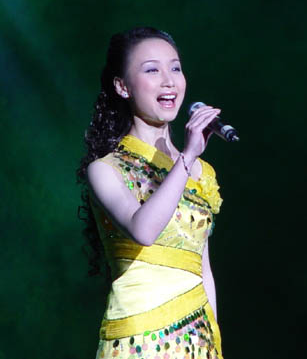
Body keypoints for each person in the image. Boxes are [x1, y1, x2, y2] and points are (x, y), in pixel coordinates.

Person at [76, 26, 224, 359]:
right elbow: (143, 230)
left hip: (198, 340)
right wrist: (187, 157)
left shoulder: (201, 173)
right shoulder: (106, 169)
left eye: (175, 68)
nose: (169, 80)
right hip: (140, 340)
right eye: (152, 70)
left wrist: (214, 343)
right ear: (122, 86)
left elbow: (203, 269)